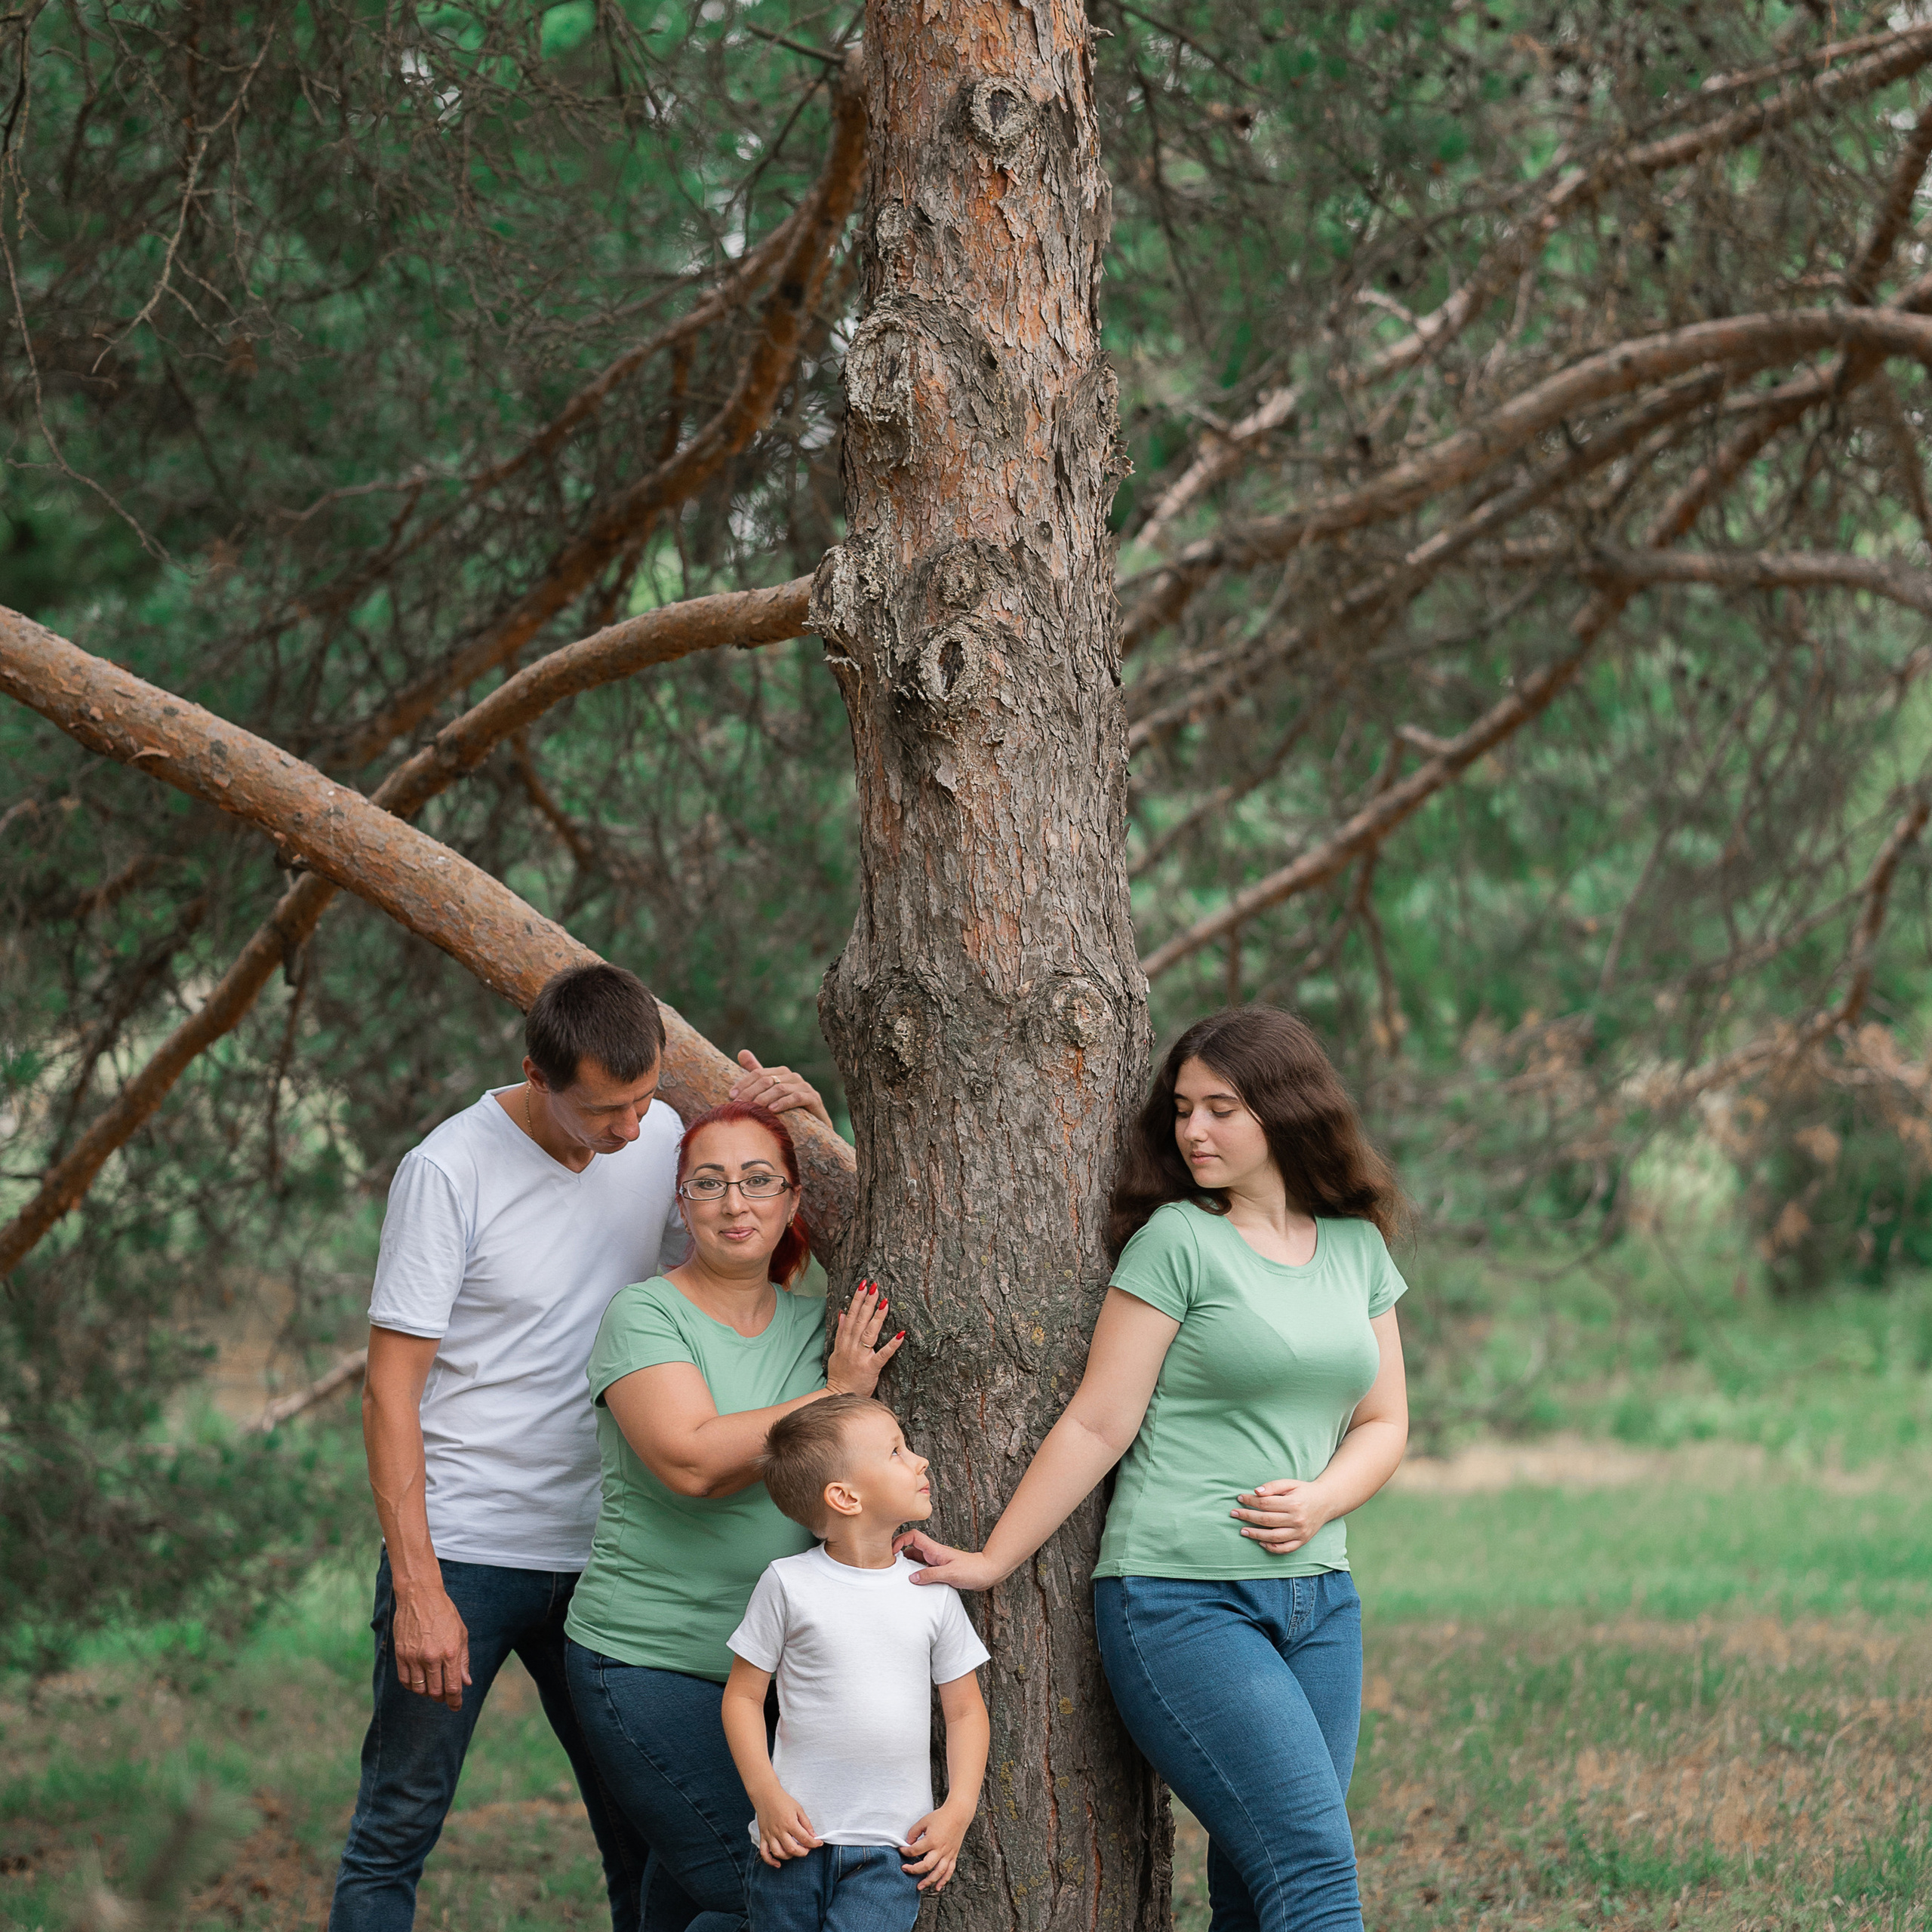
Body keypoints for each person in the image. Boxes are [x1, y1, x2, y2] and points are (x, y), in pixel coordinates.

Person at [331, 962, 832, 1932]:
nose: (632, 1130)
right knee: (397, 1826)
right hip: (469, 1548)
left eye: (647, 1100)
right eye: (605, 1110)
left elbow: (757, 1224)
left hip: (606, 1565)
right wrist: (421, 1588)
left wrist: (802, 1115)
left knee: (644, 1836)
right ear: (535, 1074)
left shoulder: (654, 1148)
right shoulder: (448, 1170)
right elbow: (388, 1391)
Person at [902, 1007, 1410, 1932]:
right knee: (1316, 1875)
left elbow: (1383, 1419)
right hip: (1182, 1600)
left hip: (1320, 1602)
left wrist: (1325, 1498)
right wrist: (992, 1558)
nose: (1193, 1131)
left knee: (1260, 1890)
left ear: (1285, 1111)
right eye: (1182, 1109)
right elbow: (1099, 1421)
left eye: (1221, 1108)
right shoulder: (1177, 1239)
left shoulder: (1356, 1247)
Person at [564, 1100, 905, 1932]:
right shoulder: (645, 1314)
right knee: (767, 1885)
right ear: (682, 1202)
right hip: (649, 1661)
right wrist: (835, 1393)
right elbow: (691, 1461)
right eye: (708, 1182)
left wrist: (818, 1119)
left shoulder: (817, 1327)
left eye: (759, 1180)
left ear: (793, 1201)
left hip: (780, 1680)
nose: (734, 1202)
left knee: (688, 1893)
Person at [720, 1396, 990, 1932]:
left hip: (891, 1853)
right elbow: (744, 1697)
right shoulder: (788, 1583)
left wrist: (958, 1810)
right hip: (794, 1843)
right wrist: (766, 1796)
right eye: (896, 1451)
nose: (920, 1461)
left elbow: (964, 1712)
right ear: (845, 1497)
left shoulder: (931, 1592)